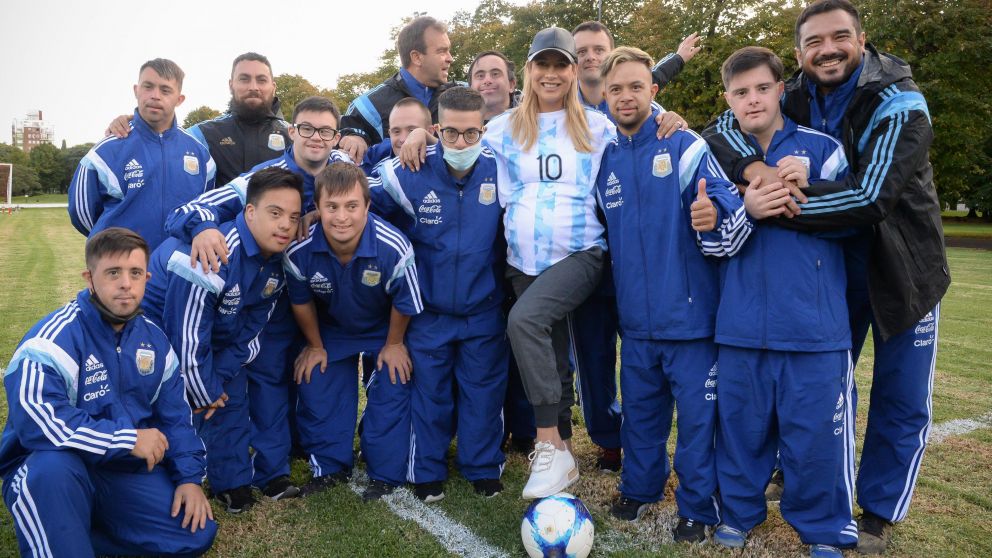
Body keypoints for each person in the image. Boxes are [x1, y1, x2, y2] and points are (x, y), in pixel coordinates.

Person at [702, 1, 948, 552]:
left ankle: (878, 511)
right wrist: (753, 171)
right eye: (814, 42)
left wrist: (768, 201)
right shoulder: (788, 92)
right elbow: (722, 125)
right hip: (833, 265)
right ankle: (803, 475)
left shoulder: (900, 101)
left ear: (862, 40)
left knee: (900, 394)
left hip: (903, 266)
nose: (828, 49)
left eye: (839, 37)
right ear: (799, 54)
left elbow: (870, 197)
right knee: (824, 387)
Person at [706, 46, 856, 558]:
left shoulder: (822, 148)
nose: (752, 100)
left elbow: (855, 218)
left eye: (762, 88)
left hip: (814, 328)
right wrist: (750, 205)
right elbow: (712, 242)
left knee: (814, 438)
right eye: (741, 92)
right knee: (742, 433)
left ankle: (824, 528)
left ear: (780, 90)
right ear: (728, 99)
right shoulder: (719, 156)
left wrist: (806, 187)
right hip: (741, 326)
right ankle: (738, 514)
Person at [594, 46, 749, 540]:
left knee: (699, 425)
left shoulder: (683, 145)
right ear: (603, 95)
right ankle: (639, 489)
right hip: (636, 324)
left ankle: (697, 507)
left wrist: (713, 216)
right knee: (640, 417)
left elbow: (728, 205)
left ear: (653, 92)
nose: (625, 96)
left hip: (692, 322)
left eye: (636, 87)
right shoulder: (603, 162)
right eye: (615, 89)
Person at [164, 95, 349, 502]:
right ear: (290, 131)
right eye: (307, 128)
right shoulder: (265, 176)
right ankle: (213, 471)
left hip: (279, 288)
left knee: (270, 384)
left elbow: (371, 197)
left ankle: (273, 470)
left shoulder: (344, 171)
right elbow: (193, 208)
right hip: (234, 279)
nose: (316, 137)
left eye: (326, 130)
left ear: (337, 137)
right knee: (219, 378)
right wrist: (203, 228)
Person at [0, 227, 216, 557]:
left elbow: (176, 418)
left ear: (147, 277)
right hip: (57, 466)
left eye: (135, 273)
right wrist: (127, 439)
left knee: (193, 536)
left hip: (118, 469)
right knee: (51, 471)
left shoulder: (155, 341)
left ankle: (78, 529)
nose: (125, 283)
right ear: (90, 278)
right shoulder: (52, 339)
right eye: (113, 272)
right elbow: (38, 422)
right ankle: (57, 526)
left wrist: (189, 478)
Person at [484, 27, 614, 499]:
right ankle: (562, 453)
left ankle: (546, 445)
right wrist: (419, 132)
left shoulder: (599, 127)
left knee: (525, 322)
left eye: (562, 65)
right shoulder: (500, 128)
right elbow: (455, 149)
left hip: (580, 253)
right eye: (544, 65)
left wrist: (671, 119)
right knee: (553, 358)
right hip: (522, 259)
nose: (552, 73)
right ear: (530, 71)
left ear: (575, 71)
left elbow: (644, 120)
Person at [370, 87, 507, 502]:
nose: (461, 143)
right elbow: (355, 196)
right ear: (435, 129)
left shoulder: (502, 167)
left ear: (483, 130)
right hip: (427, 311)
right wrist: (312, 211)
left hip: (484, 307)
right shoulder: (407, 169)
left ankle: (482, 466)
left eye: (471, 134)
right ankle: (426, 469)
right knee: (429, 393)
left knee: (483, 391)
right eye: (451, 133)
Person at [142, 167, 303, 513]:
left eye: (293, 217)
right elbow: (185, 336)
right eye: (275, 213)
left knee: (231, 391)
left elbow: (254, 326)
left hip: (212, 336)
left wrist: (224, 373)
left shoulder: (276, 261)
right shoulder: (215, 253)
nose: (286, 225)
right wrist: (206, 388)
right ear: (249, 212)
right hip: (160, 341)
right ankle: (174, 472)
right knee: (192, 400)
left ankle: (233, 481)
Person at [286, 162, 423, 501]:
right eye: (331, 207)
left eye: (351, 206)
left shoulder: (394, 246)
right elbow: (301, 301)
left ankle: (385, 472)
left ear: (367, 206)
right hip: (332, 328)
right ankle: (329, 467)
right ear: (316, 208)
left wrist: (393, 344)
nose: (341, 217)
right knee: (315, 378)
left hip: (382, 328)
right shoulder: (298, 250)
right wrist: (315, 345)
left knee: (394, 380)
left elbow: (405, 301)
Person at [69, 58, 215, 250]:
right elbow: (81, 214)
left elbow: (205, 209)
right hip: (124, 271)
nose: (155, 96)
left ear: (179, 99)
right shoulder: (103, 153)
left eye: (165, 90)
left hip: (176, 269)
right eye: (148, 87)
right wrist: (114, 247)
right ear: (136, 90)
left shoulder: (201, 156)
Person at [107, 52, 291, 188]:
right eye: (244, 79)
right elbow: (163, 141)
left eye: (261, 80)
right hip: (217, 237)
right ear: (231, 85)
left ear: (273, 87)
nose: (253, 87)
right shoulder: (202, 133)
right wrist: (136, 122)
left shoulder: (294, 135)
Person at [338, 16, 456, 163]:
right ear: (417, 57)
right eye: (442, 51)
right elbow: (341, 135)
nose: (450, 58)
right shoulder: (368, 106)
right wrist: (353, 136)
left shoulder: (462, 95)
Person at [360, 98, 434, 175]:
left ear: (430, 132)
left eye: (412, 131)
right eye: (396, 131)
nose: (403, 139)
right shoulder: (378, 153)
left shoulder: (442, 163)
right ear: (389, 133)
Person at [468, 50, 519, 122]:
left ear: (511, 85)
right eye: (480, 76)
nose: (487, 81)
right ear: (471, 87)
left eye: (495, 74)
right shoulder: (455, 125)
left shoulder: (534, 122)